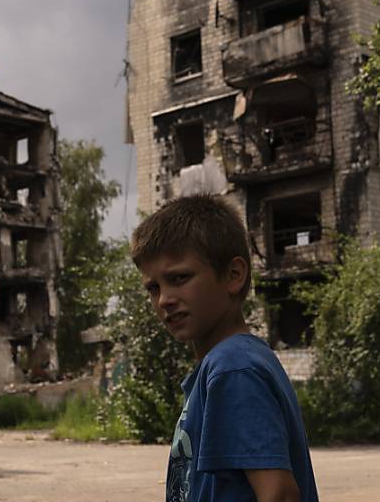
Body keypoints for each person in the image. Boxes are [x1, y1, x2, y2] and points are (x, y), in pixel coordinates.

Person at [132, 194, 319, 502]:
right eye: (154, 288)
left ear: (234, 275)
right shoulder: (227, 364)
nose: (164, 298)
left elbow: (279, 496)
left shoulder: (233, 368)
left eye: (179, 278)